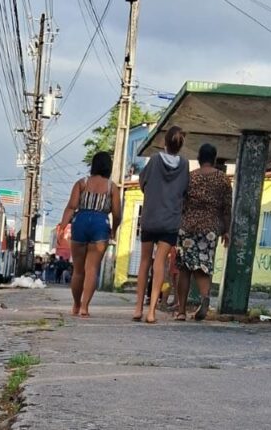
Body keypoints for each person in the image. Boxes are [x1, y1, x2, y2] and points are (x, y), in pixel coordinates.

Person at [58, 151, 123, 317]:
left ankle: (75, 304)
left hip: (80, 222)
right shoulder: (112, 187)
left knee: (78, 270)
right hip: (100, 224)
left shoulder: (81, 183)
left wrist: (63, 226)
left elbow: (71, 207)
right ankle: (85, 307)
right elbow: (117, 214)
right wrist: (113, 231)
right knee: (92, 269)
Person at [134, 126, 188, 323]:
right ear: (180, 146)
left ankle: (138, 308)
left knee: (144, 262)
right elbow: (184, 190)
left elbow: (142, 182)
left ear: (164, 143)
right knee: (160, 264)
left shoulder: (155, 159)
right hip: (170, 220)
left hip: (150, 217)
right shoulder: (184, 164)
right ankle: (152, 312)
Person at [176, 143, 233, 321]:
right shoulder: (223, 179)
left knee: (185, 268)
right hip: (210, 228)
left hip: (188, 226)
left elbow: (181, 203)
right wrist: (226, 230)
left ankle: (181, 311)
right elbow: (227, 208)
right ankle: (205, 297)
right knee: (204, 266)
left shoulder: (190, 177)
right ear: (214, 159)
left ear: (199, 159)